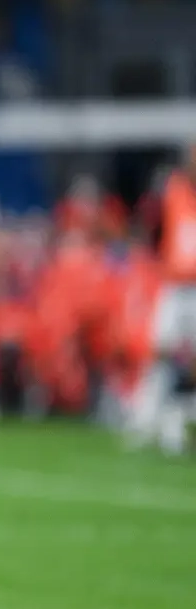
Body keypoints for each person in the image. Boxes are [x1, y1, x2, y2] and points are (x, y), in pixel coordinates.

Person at [128, 140, 196, 450]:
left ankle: (178, 420)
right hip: (174, 284)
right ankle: (145, 418)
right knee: (160, 351)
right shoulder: (171, 189)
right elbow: (149, 224)